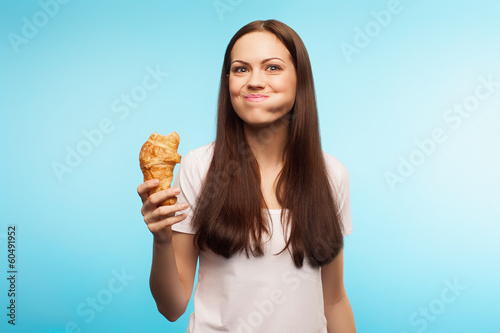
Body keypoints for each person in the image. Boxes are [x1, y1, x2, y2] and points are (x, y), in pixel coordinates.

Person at [137, 19, 356, 332]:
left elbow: (334, 301)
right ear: (228, 81)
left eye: (272, 67)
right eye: (241, 69)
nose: (254, 81)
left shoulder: (332, 174)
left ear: (300, 78)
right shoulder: (200, 167)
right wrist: (160, 239)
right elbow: (171, 307)